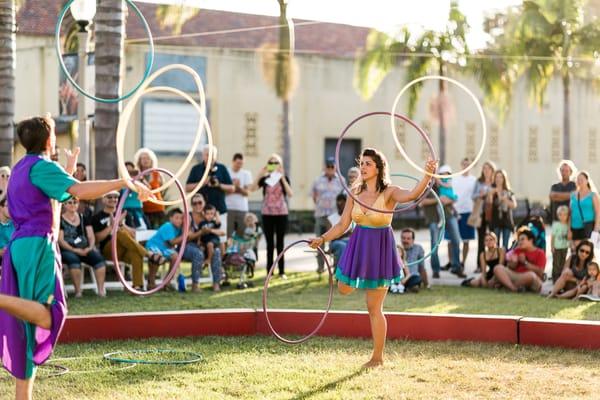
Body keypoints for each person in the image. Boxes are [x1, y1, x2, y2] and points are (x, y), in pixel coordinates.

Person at [0, 114, 152, 399]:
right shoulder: (42, 166)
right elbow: (81, 191)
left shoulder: (21, 168)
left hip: (21, 245)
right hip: (36, 246)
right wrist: (123, 182)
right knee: (49, 315)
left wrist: (68, 170)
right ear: (49, 140)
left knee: (28, 330)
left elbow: (49, 205)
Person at [310, 147, 436, 368]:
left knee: (373, 307)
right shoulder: (354, 192)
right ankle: (361, 277)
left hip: (380, 249)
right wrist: (322, 238)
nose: (363, 167)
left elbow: (412, 194)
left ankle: (377, 358)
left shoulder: (389, 192)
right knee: (343, 288)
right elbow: (342, 225)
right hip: (358, 246)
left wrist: (427, 174)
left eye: (368, 163)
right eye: (362, 163)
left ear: (379, 168)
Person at [92, 191, 156, 292]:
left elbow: (134, 235)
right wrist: (112, 226)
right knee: (119, 233)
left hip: (126, 249)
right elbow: (97, 239)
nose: (113, 199)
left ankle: (137, 287)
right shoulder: (97, 217)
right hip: (109, 250)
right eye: (110, 197)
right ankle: (148, 254)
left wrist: (122, 225)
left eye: (116, 197)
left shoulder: (125, 214)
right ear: (103, 199)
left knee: (136, 253)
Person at [250, 153, 293, 279]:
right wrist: (260, 173)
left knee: (280, 243)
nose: (273, 165)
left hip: (281, 213)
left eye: (276, 163)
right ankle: (270, 272)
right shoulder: (265, 179)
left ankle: (281, 272)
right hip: (267, 213)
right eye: (271, 162)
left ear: (280, 165)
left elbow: (290, 193)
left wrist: (282, 177)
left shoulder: (284, 178)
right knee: (269, 244)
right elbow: (252, 188)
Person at [58, 198, 107, 297]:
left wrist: (90, 247)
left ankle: (101, 290)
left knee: (99, 260)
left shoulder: (83, 218)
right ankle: (78, 291)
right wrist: (74, 250)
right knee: (73, 260)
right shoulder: (60, 220)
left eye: (75, 202)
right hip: (68, 249)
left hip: (84, 249)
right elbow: (61, 241)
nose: (72, 205)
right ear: (64, 205)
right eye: (69, 203)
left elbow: (91, 236)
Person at [186, 145, 234, 242]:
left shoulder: (222, 168)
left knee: (221, 239)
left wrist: (219, 185)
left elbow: (232, 188)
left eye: (212, 155)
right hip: (202, 212)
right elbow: (187, 187)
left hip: (219, 210)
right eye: (207, 155)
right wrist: (203, 182)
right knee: (204, 239)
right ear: (203, 156)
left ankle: (221, 256)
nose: (210, 157)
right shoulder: (196, 169)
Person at [312, 157, 345, 273]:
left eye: (332, 167)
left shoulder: (341, 180)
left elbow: (343, 198)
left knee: (334, 241)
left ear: (335, 167)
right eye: (328, 166)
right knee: (318, 241)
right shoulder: (318, 180)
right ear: (325, 167)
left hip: (334, 217)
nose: (330, 169)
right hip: (321, 215)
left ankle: (336, 268)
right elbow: (314, 195)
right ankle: (320, 267)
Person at [185, 194, 223, 292]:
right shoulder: (188, 217)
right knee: (198, 253)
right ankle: (195, 284)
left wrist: (210, 230)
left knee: (217, 251)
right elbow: (188, 237)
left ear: (204, 203)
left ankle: (216, 283)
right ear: (191, 205)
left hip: (206, 245)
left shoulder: (209, 216)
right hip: (189, 245)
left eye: (200, 202)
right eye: (194, 203)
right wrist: (201, 232)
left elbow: (220, 230)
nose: (197, 205)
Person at [145, 208, 187, 292]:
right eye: (177, 218)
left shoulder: (179, 229)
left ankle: (166, 282)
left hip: (165, 249)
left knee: (175, 257)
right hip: (154, 246)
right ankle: (151, 283)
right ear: (171, 218)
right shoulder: (168, 226)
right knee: (157, 256)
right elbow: (172, 242)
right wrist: (185, 235)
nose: (179, 220)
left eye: (181, 218)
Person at [493, 227, 545, 293]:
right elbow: (510, 267)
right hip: (516, 276)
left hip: (532, 279)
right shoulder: (517, 250)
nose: (520, 242)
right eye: (519, 240)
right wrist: (513, 263)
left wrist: (525, 263)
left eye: (522, 239)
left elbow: (540, 272)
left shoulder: (540, 253)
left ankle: (507, 286)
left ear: (530, 240)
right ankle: (513, 288)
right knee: (498, 268)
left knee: (531, 275)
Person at [437, 166, 464, 277]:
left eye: (447, 173)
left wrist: (449, 200)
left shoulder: (449, 181)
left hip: (450, 214)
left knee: (456, 241)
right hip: (437, 215)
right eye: (442, 174)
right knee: (436, 243)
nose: (445, 175)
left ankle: (456, 266)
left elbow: (455, 198)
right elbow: (440, 200)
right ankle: (436, 270)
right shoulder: (436, 182)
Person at [452, 157, 477, 267]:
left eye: (468, 165)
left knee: (466, 240)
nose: (466, 166)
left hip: (468, 212)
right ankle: (453, 262)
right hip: (455, 212)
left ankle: (463, 262)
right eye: (464, 164)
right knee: (452, 240)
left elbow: (476, 197)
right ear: (461, 165)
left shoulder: (474, 180)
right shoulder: (455, 178)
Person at [135, 148, 166, 229]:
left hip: (157, 209)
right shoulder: (136, 175)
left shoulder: (157, 174)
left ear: (151, 160)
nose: (146, 160)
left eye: (148, 158)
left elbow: (161, 190)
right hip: (143, 210)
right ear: (139, 161)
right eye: (143, 158)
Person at [472, 161, 496, 261]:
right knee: (481, 240)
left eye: (488, 168)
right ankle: (480, 263)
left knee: (493, 239)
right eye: (484, 168)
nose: (486, 170)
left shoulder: (495, 183)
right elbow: (473, 196)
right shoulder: (479, 182)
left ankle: (493, 262)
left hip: (493, 214)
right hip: (481, 214)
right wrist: (480, 195)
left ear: (492, 170)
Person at [487, 170, 517, 249]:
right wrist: (491, 194)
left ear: (504, 179)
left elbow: (514, 205)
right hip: (495, 221)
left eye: (501, 177)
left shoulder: (509, 191)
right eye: (497, 177)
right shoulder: (491, 190)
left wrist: (505, 199)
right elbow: (488, 205)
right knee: (495, 245)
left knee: (505, 245)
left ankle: (504, 261)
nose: (498, 179)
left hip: (506, 221)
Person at [569, 171, 600, 247]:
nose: (579, 181)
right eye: (578, 179)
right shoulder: (573, 195)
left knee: (586, 251)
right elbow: (570, 213)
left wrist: (596, 228)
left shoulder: (593, 195)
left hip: (588, 227)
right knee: (576, 251)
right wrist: (569, 229)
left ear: (587, 180)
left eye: (581, 179)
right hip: (574, 227)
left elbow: (598, 212)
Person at [226, 153, 253, 237]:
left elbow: (248, 193)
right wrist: (235, 188)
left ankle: (240, 250)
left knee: (241, 233)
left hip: (242, 208)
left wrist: (237, 188)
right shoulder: (226, 172)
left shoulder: (246, 174)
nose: (239, 166)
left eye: (241, 164)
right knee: (228, 234)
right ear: (233, 161)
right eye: (238, 163)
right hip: (228, 207)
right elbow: (223, 190)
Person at [122, 161, 149, 230]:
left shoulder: (139, 182)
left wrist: (141, 178)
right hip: (125, 212)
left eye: (131, 171)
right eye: (127, 171)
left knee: (143, 229)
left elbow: (148, 189)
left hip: (138, 211)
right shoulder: (121, 183)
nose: (130, 173)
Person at [328, 193, 352, 268]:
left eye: (342, 203)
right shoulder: (331, 218)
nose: (340, 205)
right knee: (343, 246)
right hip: (335, 242)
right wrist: (346, 234)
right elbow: (330, 237)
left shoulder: (352, 217)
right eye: (338, 203)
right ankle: (340, 270)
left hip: (349, 241)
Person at [199, 204, 224, 271]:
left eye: (212, 214)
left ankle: (209, 260)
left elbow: (219, 224)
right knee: (201, 248)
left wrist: (217, 215)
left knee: (210, 244)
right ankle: (202, 265)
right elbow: (200, 233)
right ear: (204, 214)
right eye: (208, 214)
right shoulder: (202, 223)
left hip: (213, 240)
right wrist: (199, 241)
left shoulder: (214, 223)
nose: (210, 216)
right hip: (204, 240)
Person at [551, 205, 570, 283]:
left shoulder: (568, 225)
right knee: (556, 263)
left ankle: (560, 279)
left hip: (564, 247)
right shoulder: (556, 224)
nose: (562, 216)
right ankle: (555, 279)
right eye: (560, 214)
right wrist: (552, 246)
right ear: (557, 215)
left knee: (562, 263)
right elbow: (553, 236)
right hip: (557, 247)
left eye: (564, 214)